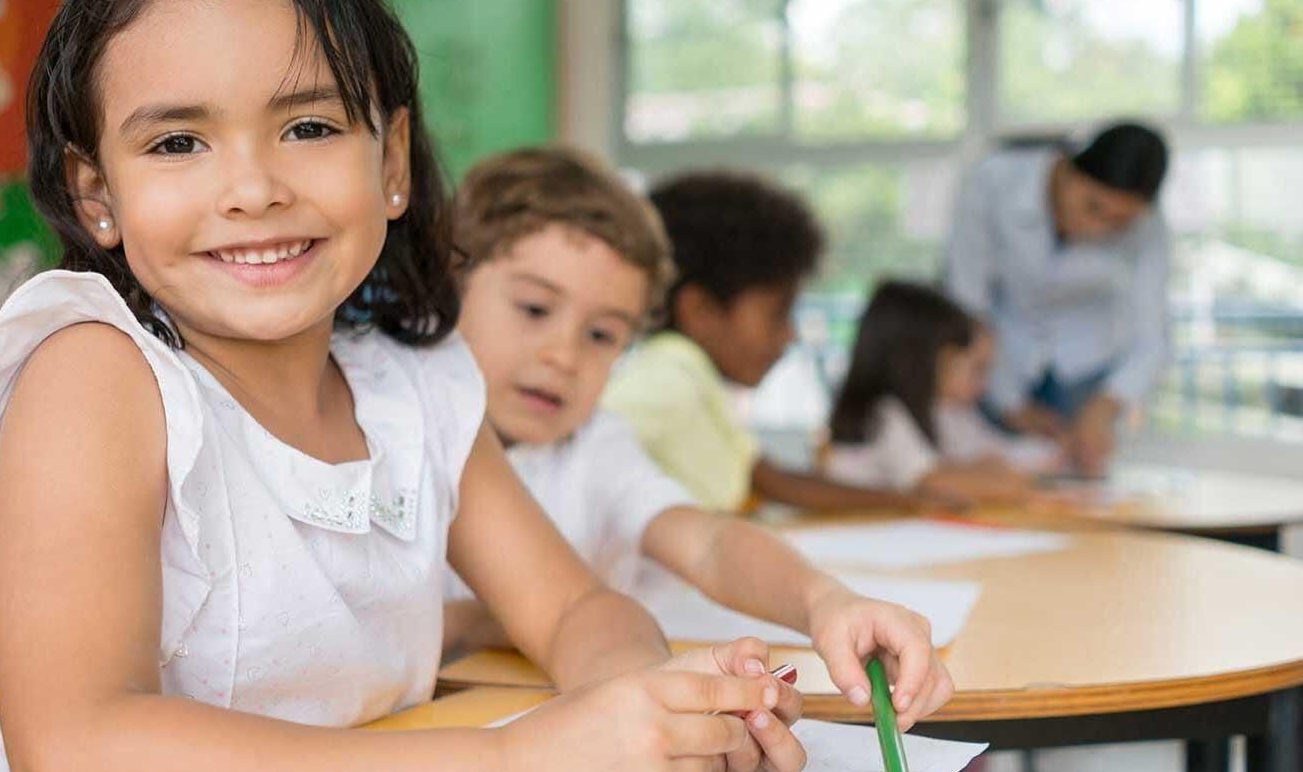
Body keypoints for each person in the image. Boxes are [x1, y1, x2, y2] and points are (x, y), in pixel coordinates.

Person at [0, 0, 810, 772]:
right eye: (177, 144)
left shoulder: (415, 389)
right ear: (97, 197)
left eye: (308, 126)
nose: (252, 188)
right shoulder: (94, 375)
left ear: (390, 163)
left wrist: (648, 714)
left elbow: (575, 610)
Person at [440, 148, 953, 725]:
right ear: (448, 286)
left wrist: (825, 601)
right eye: (534, 308)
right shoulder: (404, 426)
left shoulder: (592, 443)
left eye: (603, 335)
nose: (564, 355)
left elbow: (708, 542)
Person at [603, 171, 922, 515]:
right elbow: (587, 441)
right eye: (777, 313)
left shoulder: (691, 377)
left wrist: (909, 503)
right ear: (701, 311)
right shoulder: (671, 371)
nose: (790, 334)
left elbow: (773, 480)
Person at [944, 123, 1171, 475]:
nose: (1098, 228)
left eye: (1119, 222)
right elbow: (967, 299)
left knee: (1079, 482)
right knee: (991, 478)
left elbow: (1152, 335)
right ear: (1065, 169)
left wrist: (1107, 405)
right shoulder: (994, 183)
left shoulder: (1150, 227)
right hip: (999, 360)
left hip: (1087, 369)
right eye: (1092, 207)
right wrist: (1008, 402)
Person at [825, 280, 1060, 503]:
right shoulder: (884, 414)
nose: (949, 368)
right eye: (946, 358)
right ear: (912, 358)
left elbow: (983, 460)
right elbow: (932, 482)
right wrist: (1017, 485)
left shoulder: (933, 412)